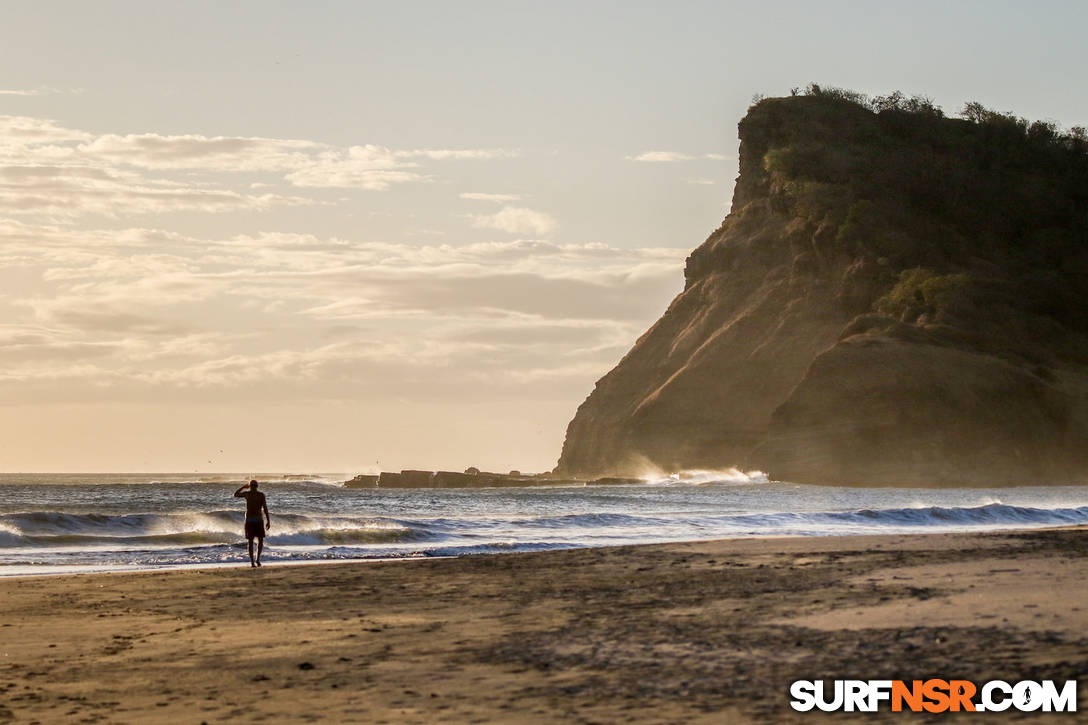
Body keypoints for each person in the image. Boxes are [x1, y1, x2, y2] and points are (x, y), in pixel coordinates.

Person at [233, 480, 271, 567]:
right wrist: (243, 487)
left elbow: (265, 508)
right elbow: (235, 495)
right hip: (251, 520)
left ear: (256, 486)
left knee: (260, 540)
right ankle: (252, 562)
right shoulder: (248, 494)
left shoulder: (260, 495)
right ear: (250, 486)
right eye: (252, 486)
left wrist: (268, 520)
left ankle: (257, 560)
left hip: (258, 520)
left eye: (254, 485)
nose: (253, 487)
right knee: (251, 541)